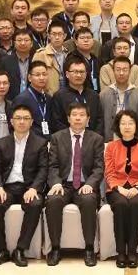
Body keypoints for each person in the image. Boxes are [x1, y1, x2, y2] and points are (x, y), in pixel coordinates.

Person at [0, 105, 49, 267]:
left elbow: (43, 169)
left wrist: (34, 188)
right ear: (12, 121)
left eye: (26, 118)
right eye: (18, 118)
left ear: (32, 122)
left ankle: (20, 249)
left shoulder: (40, 143)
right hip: (6, 188)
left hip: (29, 187)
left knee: (35, 203)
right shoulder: (1, 143)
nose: (22, 122)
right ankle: (1, 250)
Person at [46, 103, 105, 266]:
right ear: (68, 118)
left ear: (88, 119)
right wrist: (56, 183)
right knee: (53, 201)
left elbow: (99, 167)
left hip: (85, 184)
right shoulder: (57, 138)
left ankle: (89, 248)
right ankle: (55, 248)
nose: (78, 118)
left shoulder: (96, 139)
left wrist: (91, 184)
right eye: (74, 115)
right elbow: (52, 165)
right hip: (64, 185)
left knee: (88, 200)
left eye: (82, 115)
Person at [104, 110, 138, 268]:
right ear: (118, 127)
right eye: (123, 123)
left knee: (135, 204)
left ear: (136, 126)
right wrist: (118, 188)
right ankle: (121, 252)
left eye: (130, 123)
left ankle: (132, 251)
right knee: (120, 204)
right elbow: (109, 173)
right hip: (116, 188)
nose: (127, 127)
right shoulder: (111, 147)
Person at [51, 57, 103, 134]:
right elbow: (57, 122)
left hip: (92, 138)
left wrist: (93, 137)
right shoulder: (59, 96)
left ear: (86, 74)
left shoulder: (94, 95)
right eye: (75, 72)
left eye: (82, 72)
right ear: (67, 74)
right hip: (67, 138)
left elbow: (99, 121)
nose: (79, 75)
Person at [99, 56, 138, 142]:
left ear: (130, 71)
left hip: (133, 140)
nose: (121, 73)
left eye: (125, 70)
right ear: (113, 71)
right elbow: (100, 121)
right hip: (110, 139)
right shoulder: (104, 94)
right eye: (118, 69)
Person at [11, 61, 54, 138]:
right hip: (30, 141)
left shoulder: (48, 98)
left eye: (44, 74)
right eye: (37, 75)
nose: (41, 78)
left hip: (48, 139)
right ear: (29, 78)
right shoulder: (22, 99)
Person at [33, 20, 70, 94]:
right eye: (54, 34)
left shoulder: (68, 54)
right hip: (48, 95)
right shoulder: (41, 54)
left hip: (67, 94)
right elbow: (34, 78)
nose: (57, 37)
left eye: (60, 34)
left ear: (65, 36)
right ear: (49, 36)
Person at [1, 28, 36, 99]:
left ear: (32, 43)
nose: (23, 43)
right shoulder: (5, 61)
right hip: (11, 100)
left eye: (26, 40)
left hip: (32, 99)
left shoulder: (35, 60)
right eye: (19, 40)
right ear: (14, 43)